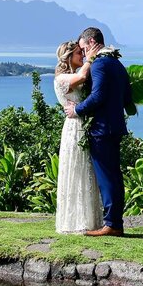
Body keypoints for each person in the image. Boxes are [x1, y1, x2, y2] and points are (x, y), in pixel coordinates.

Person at [64, 27, 131, 237]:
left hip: (102, 129)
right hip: (115, 125)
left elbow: (98, 96)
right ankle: (115, 222)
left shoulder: (100, 64)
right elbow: (127, 96)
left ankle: (111, 224)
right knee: (114, 176)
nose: (84, 55)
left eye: (84, 49)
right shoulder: (117, 63)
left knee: (107, 178)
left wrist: (77, 109)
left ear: (92, 42)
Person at [53, 41, 103, 234]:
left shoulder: (73, 74)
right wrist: (91, 57)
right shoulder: (61, 78)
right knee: (76, 168)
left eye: (82, 53)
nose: (81, 56)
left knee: (86, 170)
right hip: (74, 126)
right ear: (67, 57)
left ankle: (89, 220)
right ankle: (75, 221)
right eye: (78, 53)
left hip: (83, 124)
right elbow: (82, 76)